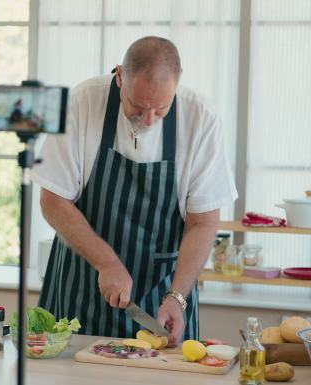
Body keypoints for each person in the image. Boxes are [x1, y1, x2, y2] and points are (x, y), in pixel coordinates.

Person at [30, 36, 237, 347]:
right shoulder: (83, 101)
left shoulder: (202, 119)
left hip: (164, 297)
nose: (149, 119)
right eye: (138, 106)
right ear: (119, 76)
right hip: (82, 285)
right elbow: (53, 201)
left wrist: (178, 297)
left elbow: (203, 222)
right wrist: (107, 263)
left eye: (162, 108)